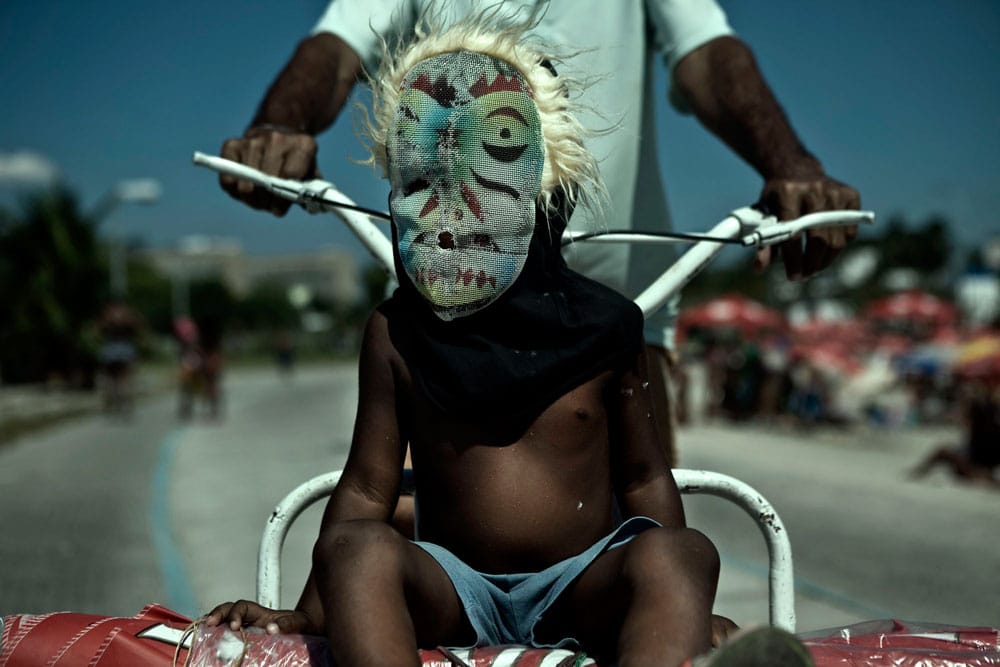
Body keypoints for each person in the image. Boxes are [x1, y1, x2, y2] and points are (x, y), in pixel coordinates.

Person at [206, 21, 813, 666]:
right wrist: (308, 614)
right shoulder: (396, 331)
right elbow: (364, 494)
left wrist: (676, 597)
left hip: (581, 585)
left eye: (484, 183)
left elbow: (643, 479)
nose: (450, 219)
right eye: (424, 187)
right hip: (452, 585)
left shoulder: (609, 325)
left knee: (682, 553)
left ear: (547, 196)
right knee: (354, 548)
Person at [217, 0, 860, 468]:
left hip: (629, 299)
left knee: (654, 535)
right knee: (398, 528)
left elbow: (707, 53)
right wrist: (280, 125)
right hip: (450, 293)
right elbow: (336, 49)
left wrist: (791, 165)